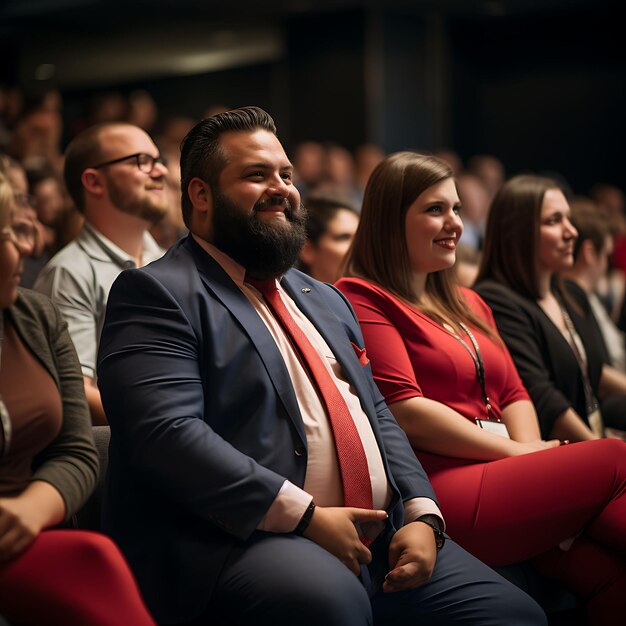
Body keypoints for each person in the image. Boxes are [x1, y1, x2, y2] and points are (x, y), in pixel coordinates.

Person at [97, 107, 546, 626]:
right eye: (256, 175)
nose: (282, 188)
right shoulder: (158, 292)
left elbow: (377, 414)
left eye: (286, 175)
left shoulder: (324, 298)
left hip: (378, 533)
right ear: (200, 195)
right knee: (330, 604)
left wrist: (423, 512)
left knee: (515, 613)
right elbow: (166, 433)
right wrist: (305, 516)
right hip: (241, 535)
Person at [336, 151, 626, 626]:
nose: (453, 222)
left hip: (510, 468)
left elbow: (514, 393)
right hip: (443, 484)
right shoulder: (361, 295)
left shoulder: (469, 301)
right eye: (434, 210)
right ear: (391, 219)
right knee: (616, 458)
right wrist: (520, 454)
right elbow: (407, 410)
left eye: (455, 208)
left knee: (610, 575)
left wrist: (529, 451)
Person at [0, 172, 156, 626]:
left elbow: (75, 448)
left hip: (25, 525)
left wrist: (32, 509)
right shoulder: (70, 271)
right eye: (9, 233)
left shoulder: (33, 315)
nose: (27, 249)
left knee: (99, 561)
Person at [34, 122, 167, 424]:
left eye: (159, 161)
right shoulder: (70, 272)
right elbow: (78, 391)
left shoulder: (166, 258)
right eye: (141, 161)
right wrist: (168, 423)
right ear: (94, 182)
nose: (161, 172)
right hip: (139, 440)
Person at [474, 175, 620, 442]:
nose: (572, 231)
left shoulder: (570, 293)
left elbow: (593, 371)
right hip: (554, 452)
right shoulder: (496, 301)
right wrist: (602, 452)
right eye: (555, 221)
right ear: (517, 232)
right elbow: (543, 399)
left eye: (568, 218)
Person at [298, 194, 359, 284]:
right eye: (344, 238)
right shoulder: (289, 297)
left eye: (359, 237)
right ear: (308, 250)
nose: (359, 246)